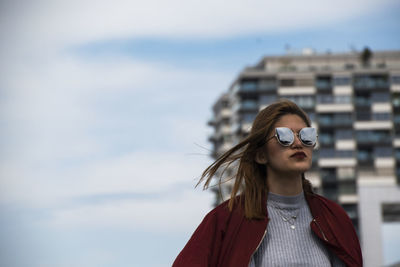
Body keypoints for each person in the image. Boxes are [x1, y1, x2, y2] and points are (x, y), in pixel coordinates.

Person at [173, 99, 362, 267]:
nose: (298, 143)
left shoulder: (334, 217)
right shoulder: (225, 220)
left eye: (306, 135)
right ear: (261, 155)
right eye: (285, 136)